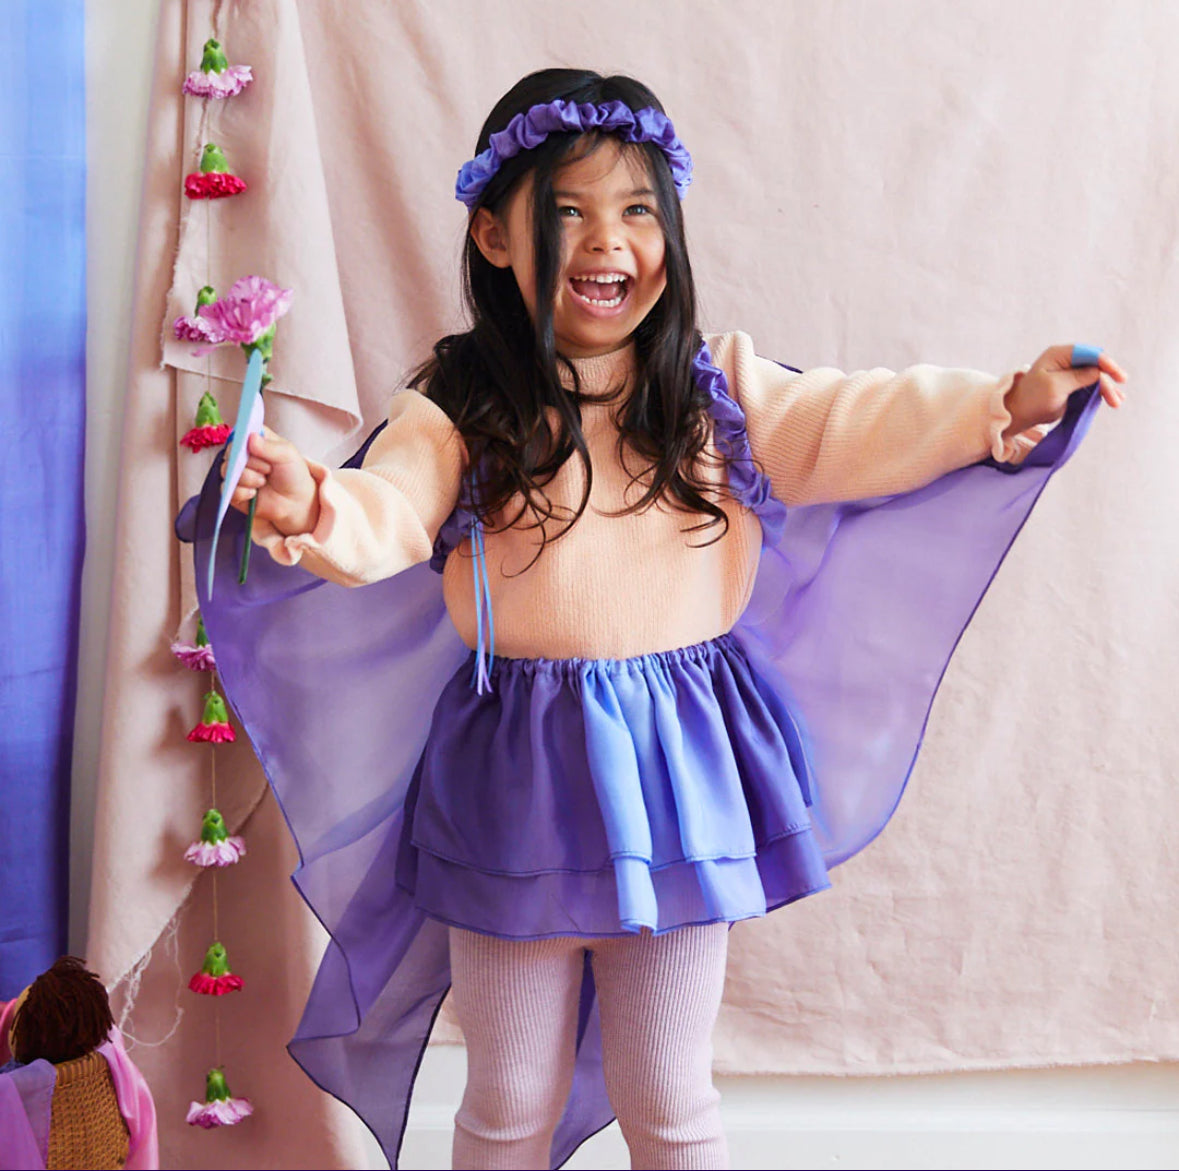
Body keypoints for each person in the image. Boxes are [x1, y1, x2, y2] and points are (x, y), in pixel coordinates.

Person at [193, 68, 1125, 1171]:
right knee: (505, 1096)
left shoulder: (712, 393)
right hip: (515, 777)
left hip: (678, 768)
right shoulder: (459, 409)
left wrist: (999, 406)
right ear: (495, 235)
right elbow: (388, 510)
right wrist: (314, 504)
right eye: (570, 210)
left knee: (670, 1092)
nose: (610, 240)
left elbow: (853, 418)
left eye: (638, 211)